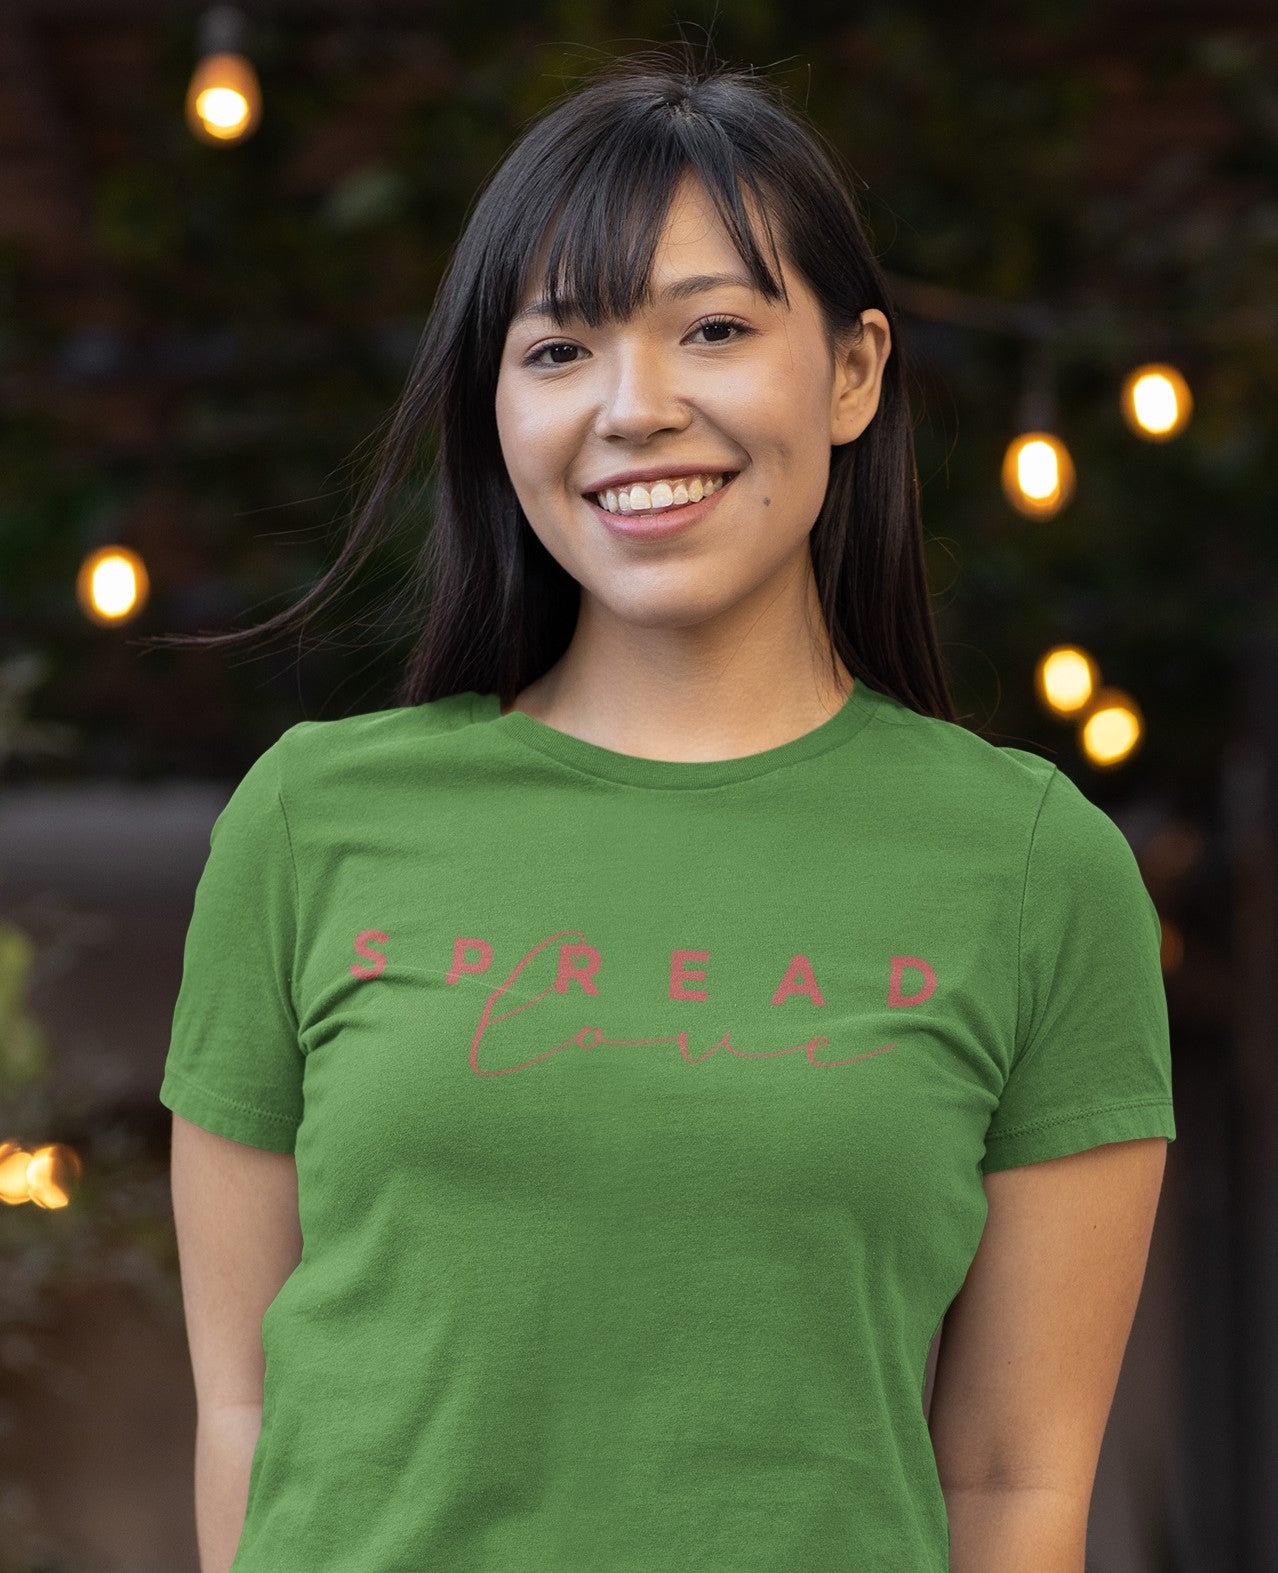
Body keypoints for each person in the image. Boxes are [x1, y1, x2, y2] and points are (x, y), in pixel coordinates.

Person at [158, 45, 1176, 1573]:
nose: (634, 408)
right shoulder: (311, 819)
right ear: (496, 406)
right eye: (559, 348)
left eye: (712, 328)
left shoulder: (1035, 869)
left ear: (852, 373)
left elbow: (1015, 1480)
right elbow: (243, 1412)